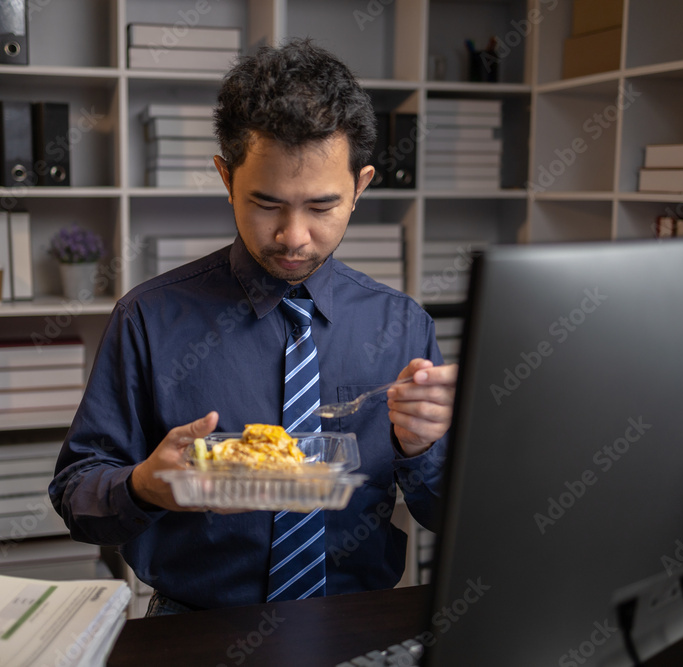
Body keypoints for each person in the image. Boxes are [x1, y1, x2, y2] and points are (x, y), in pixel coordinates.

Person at [49, 39, 457, 615]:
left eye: (321, 207)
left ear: (361, 185)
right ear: (225, 177)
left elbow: (448, 516)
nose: (294, 236)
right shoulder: (147, 319)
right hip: (194, 628)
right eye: (267, 204)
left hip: (355, 625)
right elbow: (74, 496)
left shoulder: (403, 325)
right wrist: (144, 485)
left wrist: (423, 451)